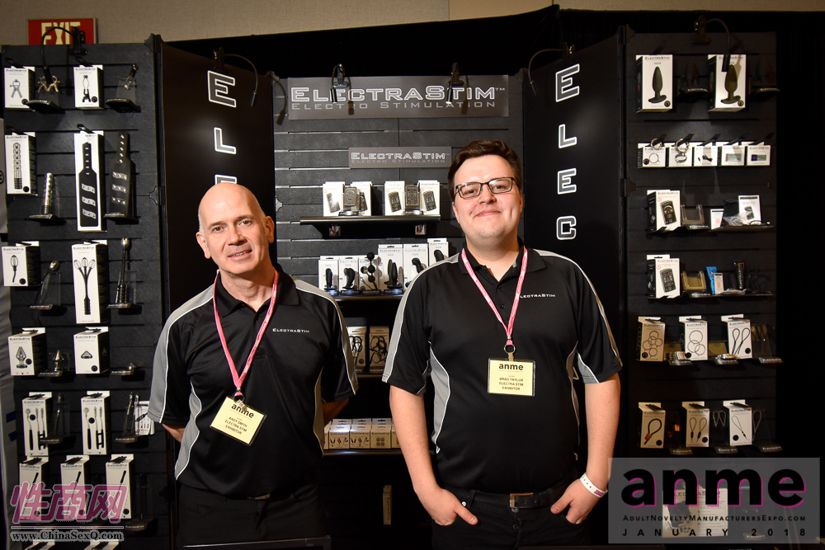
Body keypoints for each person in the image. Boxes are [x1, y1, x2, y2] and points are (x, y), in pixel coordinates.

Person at [383, 140, 621, 549]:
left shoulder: (567, 277)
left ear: (521, 198)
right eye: (470, 189)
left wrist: (597, 479)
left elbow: (602, 375)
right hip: (465, 511)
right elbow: (405, 387)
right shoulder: (428, 288)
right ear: (455, 209)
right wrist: (425, 489)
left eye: (500, 185)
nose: (486, 197)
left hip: (559, 509)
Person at [148, 182, 356, 547]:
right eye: (218, 228)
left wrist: (290, 430)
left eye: (244, 221)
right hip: (209, 505)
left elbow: (337, 396)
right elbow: (173, 418)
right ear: (204, 244)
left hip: (298, 502)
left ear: (268, 228)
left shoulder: (321, 309)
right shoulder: (183, 325)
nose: (235, 238)